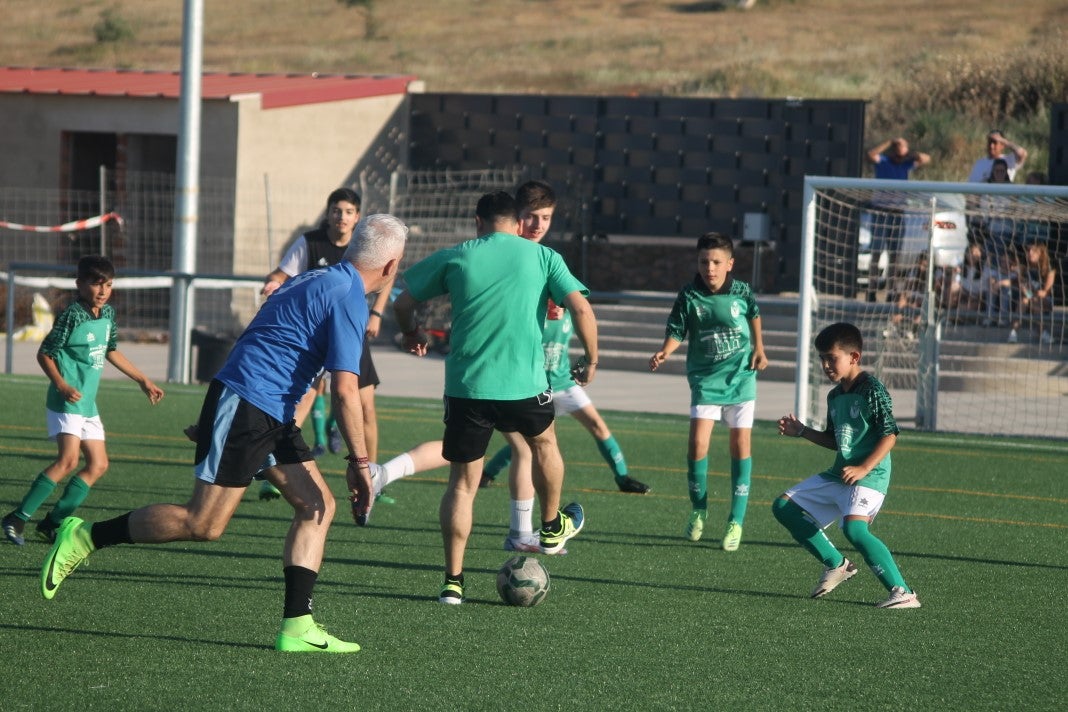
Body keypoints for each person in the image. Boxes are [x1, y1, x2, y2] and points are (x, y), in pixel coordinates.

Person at [39, 214, 409, 653]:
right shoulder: (349, 296)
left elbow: (262, 329)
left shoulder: (317, 278)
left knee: (317, 505)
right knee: (203, 523)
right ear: (390, 266)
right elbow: (346, 391)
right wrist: (361, 463)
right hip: (250, 404)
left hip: (266, 409)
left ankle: (297, 627)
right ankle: (84, 536)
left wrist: (217, 410)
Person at [392, 191, 594, 604]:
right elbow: (581, 309)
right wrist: (591, 359)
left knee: (463, 484)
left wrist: (412, 332)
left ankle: (453, 582)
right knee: (544, 444)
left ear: (478, 222)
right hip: (526, 386)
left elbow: (404, 301)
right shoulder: (544, 257)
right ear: (518, 223)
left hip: (468, 388)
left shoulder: (457, 256)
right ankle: (550, 526)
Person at [481, 182, 649, 537]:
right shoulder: (506, 256)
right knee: (525, 448)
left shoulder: (548, 260)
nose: (538, 225)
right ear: (515, 217)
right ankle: (532, 529)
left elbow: (580, 308)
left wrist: (584, 348)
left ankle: (617, 480)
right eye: (532, 216)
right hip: (517, 377)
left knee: (536, 444)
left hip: (555, 380)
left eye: (546, 218)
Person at [2, 256, 164, 546]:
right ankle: (17, 517)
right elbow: (45, 353)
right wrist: (62, 384)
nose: (103, 291)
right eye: (96, 284)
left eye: (108, 285)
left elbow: (110, 349)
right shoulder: (72, 315)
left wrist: (142, 379)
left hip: (87, 402)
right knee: (68, 460)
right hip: (67, 400)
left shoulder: (108, 313)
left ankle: (51, 523)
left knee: (98, 464)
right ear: (79, 284)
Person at [259, 187, 397, 505]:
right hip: (315, 335)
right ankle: (274, 470)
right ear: (329, 213)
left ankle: (373, 478)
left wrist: (376, 313)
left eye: (348, 212)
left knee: (366, 406)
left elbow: (388, 275)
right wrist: (274, 282)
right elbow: (281, 273)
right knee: (301, 400)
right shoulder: (310, 243)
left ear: (357, 216)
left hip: (350, 331)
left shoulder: (363, 245)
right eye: (337, 210)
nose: (342, 217)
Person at [773, 322, 920, 609]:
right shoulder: (835, 396)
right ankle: (836, 564)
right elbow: (835, 440)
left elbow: (890, 434)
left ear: (854, 357)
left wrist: (864, 468)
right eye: (822, 359)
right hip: (841, 473)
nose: (826, 365)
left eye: (832, 358)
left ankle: (903, 593)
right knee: (784, 506)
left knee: (854, 531)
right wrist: (802, 431)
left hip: (871, 475)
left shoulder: (872, 389)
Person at [649, 232, 767, 552]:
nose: (710, 268)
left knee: (740, 445)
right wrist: (665, 351)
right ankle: (699, 510)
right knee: (697, 444)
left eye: (716, 262)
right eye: (704, 262)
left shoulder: (742, 291)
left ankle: (736, 520)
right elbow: (677, 329)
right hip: (705, 379)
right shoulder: (689, 295)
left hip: (741, 377)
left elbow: (754, 314)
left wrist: (759, 348)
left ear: (730, 264)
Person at [864, 137, 930, 303]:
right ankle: (871, 290)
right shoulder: (883, 161)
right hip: (881, 211)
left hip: (897, 213)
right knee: (876, 252)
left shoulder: (907, 164)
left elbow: (926, 159)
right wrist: (889, 142)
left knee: (895, 255)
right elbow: (871, 154)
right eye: (896, 148)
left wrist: (909, 152)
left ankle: (891, 291)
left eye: (902, 147)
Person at [1014, 241, 1057, 345]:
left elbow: (1045, 292)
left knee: (1036, 301)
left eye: (1034, 251)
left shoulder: (1049, 269)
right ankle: (1013, 331)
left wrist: (1031, 294)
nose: (1030, 253)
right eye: (1028, 250)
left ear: (1041, 253)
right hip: (1030, 297)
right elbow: (1023, 287)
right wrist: (1028, 293)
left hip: (1046, 300)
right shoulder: (1024, 267)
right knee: (1023, 300)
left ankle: (1041, 332)